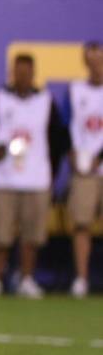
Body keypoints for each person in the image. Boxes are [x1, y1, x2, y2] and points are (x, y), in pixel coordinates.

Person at [0, 54, 69, 299]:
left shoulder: (46, 101)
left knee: (32, 235)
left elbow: (58, 140)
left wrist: (51, 173)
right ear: (12, 73)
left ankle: (26, 278)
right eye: (18, 72)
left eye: (27, 72)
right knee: (1, 234)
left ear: (33, 73)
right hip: (4, 178)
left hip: (36, 178)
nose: (22, 77)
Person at [63, 42, 103, 298]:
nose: (96, 64)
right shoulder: (75, 91)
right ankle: (81, 278)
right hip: (85, 170)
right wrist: (73, 155)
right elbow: (65, 127)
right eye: (91, 59)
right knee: (81, 223)